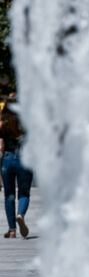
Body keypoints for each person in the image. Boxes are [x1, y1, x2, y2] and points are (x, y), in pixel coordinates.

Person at [1, 101, 33, 238]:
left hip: (8, 160)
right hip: (25, 159)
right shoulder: (28, 124)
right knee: (24, 193)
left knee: (9, 195)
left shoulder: (3, 125)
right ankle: (20, 215)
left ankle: (12, 230)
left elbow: (0, 147)